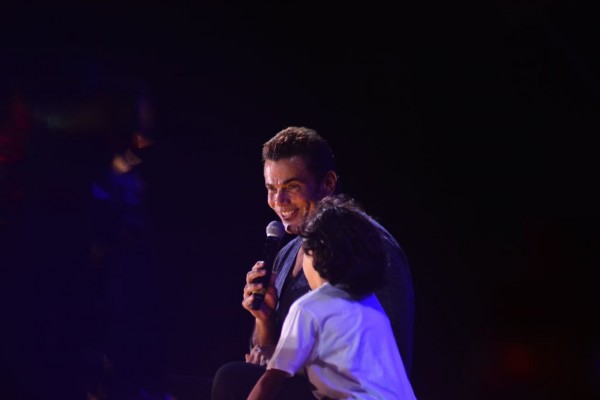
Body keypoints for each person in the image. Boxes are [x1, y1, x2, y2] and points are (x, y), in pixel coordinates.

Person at [211, 126, 415, 399]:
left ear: (327, 183)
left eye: (292, 187)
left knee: (232, 379)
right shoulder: (288, 252)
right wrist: (264, 319)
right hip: (308, 388)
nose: (279, 201)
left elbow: (384, 355)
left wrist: (282, 363)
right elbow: (266, 355)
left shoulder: (366, 245)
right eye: (272, 189)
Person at [248, 194, 417, 400]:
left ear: (313, 253)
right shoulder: (369, 304)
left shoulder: (309, 306)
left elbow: (270, 381)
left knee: (232, 377)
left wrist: (275, 358)